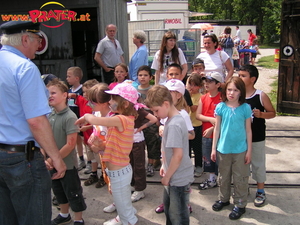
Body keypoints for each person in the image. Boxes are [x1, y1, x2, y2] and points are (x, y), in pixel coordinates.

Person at [0, 20, 66, 225]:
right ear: (25, 39)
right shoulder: (24, 68)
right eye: (37, 39)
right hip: (22, 158)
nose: (39, 46)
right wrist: (56, 157)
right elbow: (37, 121)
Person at [75, 82, 140, 225]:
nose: (109, 102)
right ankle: (125, 214)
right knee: (121, 200)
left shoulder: (120, 119)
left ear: (125, 104)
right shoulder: (124, 119)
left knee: (121, 201)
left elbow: (94, 119)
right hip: (119, 170)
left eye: (112, 99)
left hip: (119, 171)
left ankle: (128, 220)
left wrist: (86, 116)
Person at [145, 84, 194, 225]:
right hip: (172, 174)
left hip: (177, 178)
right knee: (170, 210)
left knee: (177, 215)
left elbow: (178, 155)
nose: (155, 115)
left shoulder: (173, 124)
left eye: (156, 110)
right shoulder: (173, 119)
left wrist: (167, 176)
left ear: (166, 104)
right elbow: (170, 151)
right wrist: (164, 166)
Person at [211, 77, 252, 220]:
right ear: (225, 90)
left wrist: (249, 151)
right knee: (224, 176)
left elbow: (248, 131)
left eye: (235, 90)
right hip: (223, 149)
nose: (232, 93)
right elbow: (217, 129)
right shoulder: (220, 107)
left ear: (241, 92)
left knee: (240, 177)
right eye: (229, 89)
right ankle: (223, 199)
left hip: (240, 150)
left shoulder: (245, 108)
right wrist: (214, 148)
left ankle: (240, 204)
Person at [47, 79, 86, 225]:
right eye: (48, 93)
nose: (49, 96)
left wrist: (52, 159)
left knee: (73, 192)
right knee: (58, 191)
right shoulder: (50, 114)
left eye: (53, 93)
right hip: (52, 163)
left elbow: (70, 145)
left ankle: (78, 218)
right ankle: (64, 214)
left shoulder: (70, 117)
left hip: (67, 164)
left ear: (65, 95)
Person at [238, 65, 276, 207]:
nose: (239, 78)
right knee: (242, 165)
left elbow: (272, 112)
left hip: (257, 137)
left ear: (252, 79)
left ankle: (260, 190)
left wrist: (262, 114)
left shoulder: (260, 95)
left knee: (258, 164)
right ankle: (243, 188)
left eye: (243, 76)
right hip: (240, 139)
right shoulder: (237, 95)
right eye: (239, 75)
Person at [196, 72, 223, 190]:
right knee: (207, 157)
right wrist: (211, 119)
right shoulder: (203, 98)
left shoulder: (223, 98)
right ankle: (211, 179)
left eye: (210, 81)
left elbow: (224, 118)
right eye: (205, 81)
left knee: (220, 158)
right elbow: (198, 115)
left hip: (220, 134)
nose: (206, 83)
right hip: (206, 134)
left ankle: (222, 179)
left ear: (218, 84)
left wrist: (214, 126)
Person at [137, 65, 162, 176]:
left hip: (151, 122)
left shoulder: (154, 90)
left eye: (145, 75)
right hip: (138, 121)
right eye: (140, 75)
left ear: (151, 77)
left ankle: (151, 164)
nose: (143, 77)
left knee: (152, 143)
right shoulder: (134, 90)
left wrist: (158, 119)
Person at [66, 66, 86, 171]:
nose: (67, 79)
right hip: (72, 118)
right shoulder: (69, 90)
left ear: (77, 78)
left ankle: (91, 161)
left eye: (69, 76)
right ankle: (81, 158)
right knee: (76, 138)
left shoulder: (82, 90)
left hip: (81, 117)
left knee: (83, 139)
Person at [187, 73, 204, 177]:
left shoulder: (200, 97)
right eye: (190, 84)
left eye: (195, 85)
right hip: (187, 125)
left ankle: (198, 166)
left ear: (199, 86)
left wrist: (187, 98)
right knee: (187, 147)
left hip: (197, 125)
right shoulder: (186, 94)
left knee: (197, 147)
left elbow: (194, 109)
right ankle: (188, 166)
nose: (192, 87)